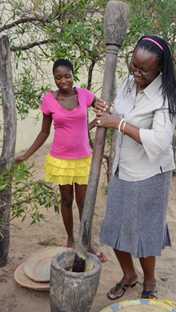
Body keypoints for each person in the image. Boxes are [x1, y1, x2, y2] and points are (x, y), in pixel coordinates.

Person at [95, 35, 176, 299]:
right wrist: (108, 110)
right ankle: (129, 275)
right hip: (123, 169)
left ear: (160, 69)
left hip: (150, 175)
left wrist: (118, 124)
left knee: (145, 233)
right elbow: (121, 112)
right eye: (134, 65)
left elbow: (158, 142)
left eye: (143, 69)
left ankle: (150, 283)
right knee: (114, 228)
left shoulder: (168, 100)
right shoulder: (128, 83)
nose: (136, 72)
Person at [16, 59, 107, 262]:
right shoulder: (49, 100)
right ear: (54, 78)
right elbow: (44, 132)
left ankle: (87, 243)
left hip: (83, 158)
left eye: (66, 76)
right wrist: (26, 155)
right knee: (66, 200)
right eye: (58, 77)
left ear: (73, 75)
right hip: (61, 160)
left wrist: (91, 124)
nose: (63, 80)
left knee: (84, 203)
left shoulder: (84, 95)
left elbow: (102, 106)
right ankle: (70, 239)